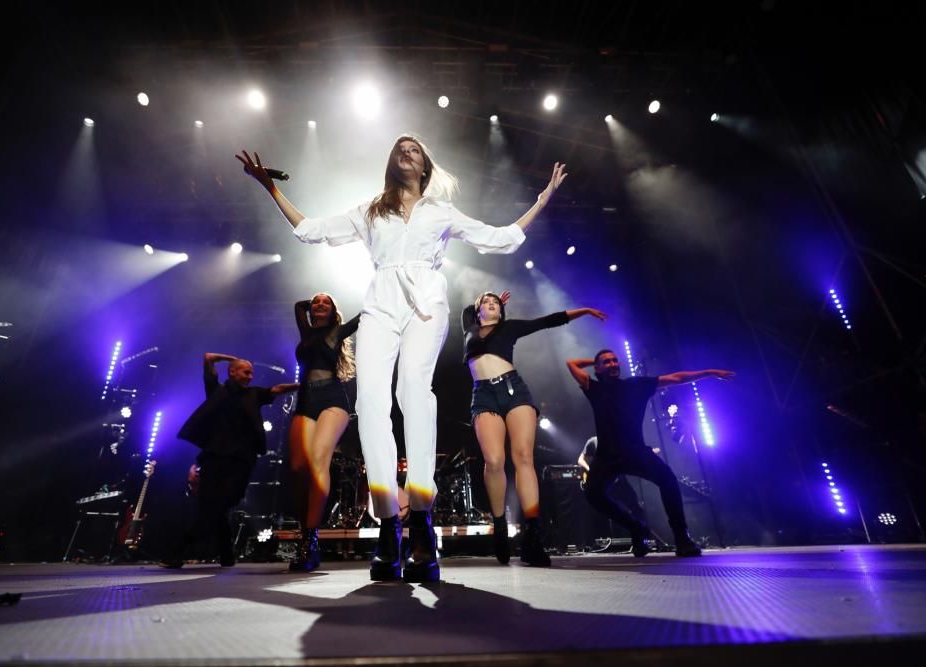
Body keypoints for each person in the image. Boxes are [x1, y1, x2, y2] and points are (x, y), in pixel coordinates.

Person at [237, 136, 567, 582]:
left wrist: (543, 198)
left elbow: (502, 239)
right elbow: (311, 229)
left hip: (428, 301)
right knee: (371, 401)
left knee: (414, 390)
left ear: (426, 164)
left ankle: (421, 524)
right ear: (392, 163)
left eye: (414, 148)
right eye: (399, 148)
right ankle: (390, 523)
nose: (405, 151)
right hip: (380, 303)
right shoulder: (372, 208)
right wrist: (270, 189)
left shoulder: (441, 212)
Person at [463, 290, 607, 565]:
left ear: (502, 311)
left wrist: (585, 311)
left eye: (496, 303)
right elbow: (471, 310)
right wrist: (490, 301)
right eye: (486, 302)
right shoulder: (469, 328)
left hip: (514, 390)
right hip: (483, 395)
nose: (491, 305)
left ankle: (532, 536)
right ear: (478, 309)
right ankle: (500, 525)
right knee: (493, 461)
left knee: (524, 458)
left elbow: (548, 321)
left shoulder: (511, 328)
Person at [565, 350, 734, 557]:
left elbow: (675, 378)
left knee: (668, 480)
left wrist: (708, 372)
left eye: (614, 360)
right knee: (592, 494)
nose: (613, 364)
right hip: (607, 457)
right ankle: (636, 527)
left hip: (635, 451)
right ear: (597, 368)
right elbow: (571, 363)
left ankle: (682, 538)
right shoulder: (595, 388)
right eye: (606, 362)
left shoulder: (637, 385)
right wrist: (596, 361)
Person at [161, 354, 297, 568]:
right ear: (232, 372)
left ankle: (179, 551)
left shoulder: (253, 394)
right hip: (215, 457)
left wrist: (302, 385)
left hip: (241, 461)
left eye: (251, 373)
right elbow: (208, 359)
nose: (250, 377)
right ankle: (226, 555)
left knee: (220, 504)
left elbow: (277, 389)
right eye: (246, 372)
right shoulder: (217, 391)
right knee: (212, 506)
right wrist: (230, 357)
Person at [288, 293, 360, 572]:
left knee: (319, 460)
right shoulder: (305, 330)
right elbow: (297, 305)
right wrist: (312, 304)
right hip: (306, 400)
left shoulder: (337, 331)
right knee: (297, 468)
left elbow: (364, 317)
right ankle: (305, 530)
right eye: (315, 302)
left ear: (333, 312)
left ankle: (309, 541)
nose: (318, 304)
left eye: (325, 302)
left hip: (332, 399)